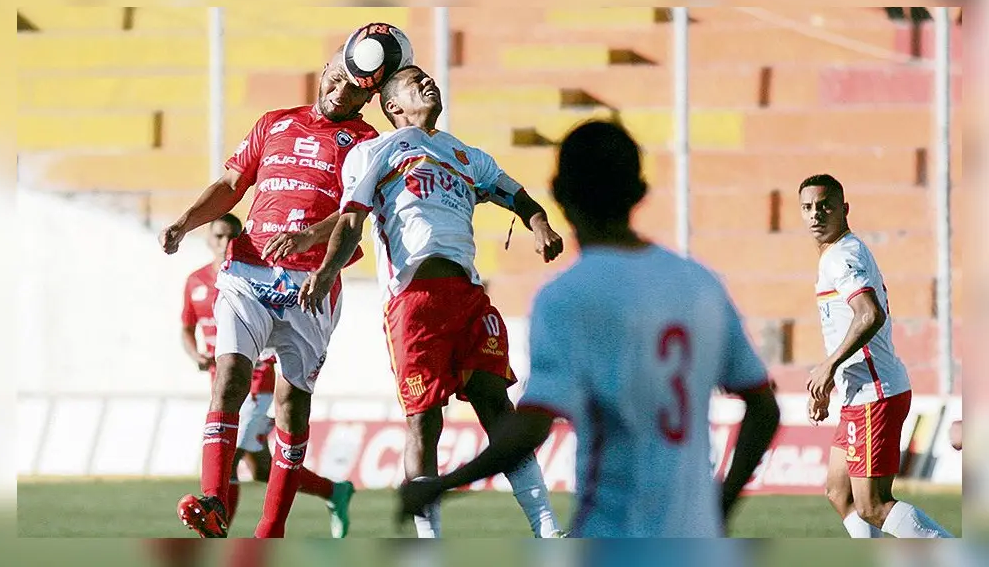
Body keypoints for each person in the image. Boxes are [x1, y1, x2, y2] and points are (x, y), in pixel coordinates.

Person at [395, 120, 781, 537]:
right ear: (640, 192)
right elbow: (763, 407)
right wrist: (720, 506)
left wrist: (444, 484)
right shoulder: (700, 283)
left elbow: (532, 425)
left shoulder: (567, 296)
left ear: (560, 194)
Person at [301, 65, 566, 538]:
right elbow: (352, 221)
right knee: (425, 422)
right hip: (413, 302)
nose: (429, 83)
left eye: (430, 78)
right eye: (414, 81)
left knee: (496, 404)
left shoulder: (467, 155)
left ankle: (547, 528)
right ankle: (429, 543)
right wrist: (325, 273)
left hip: (468, 297)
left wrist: (539, 224)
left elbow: (519, 197)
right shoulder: (373, 152)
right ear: (392, 107)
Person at [159, 43, 378, 538]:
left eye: (351, 88)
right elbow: (233, 182)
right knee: (229, 374)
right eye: (335, 78)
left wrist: (308, 237)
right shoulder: (273, 122)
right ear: (323, 71)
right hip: (249, 270)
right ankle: (214, 498)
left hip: (312, 280)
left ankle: (271, 529)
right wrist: (186, 223)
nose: (337, 91)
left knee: (290, 405)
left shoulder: (366, 143)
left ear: (365, 98)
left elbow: (354, 217)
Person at [179, 213, 355, 538]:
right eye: (218, 236)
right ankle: (334, 492)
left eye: (233, 236)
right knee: (261, 468)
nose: (225, 243)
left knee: (231, 462)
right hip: (225, 384)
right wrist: (195, 355)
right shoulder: (196, 281)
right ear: (207, 239)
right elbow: (187, 328)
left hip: (259, 388)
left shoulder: (258, 274)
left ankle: (216, 530)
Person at [799, 173, 953, 538]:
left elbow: (869, 314)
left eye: (825, 206)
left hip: (874, 395)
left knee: (873, 506)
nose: (816, 215)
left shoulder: (841, 256)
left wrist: (828, 367)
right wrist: (829, 385)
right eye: (808, 208)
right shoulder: (841, 253)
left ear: (844, 209)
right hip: (861, 393)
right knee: (840, 492)